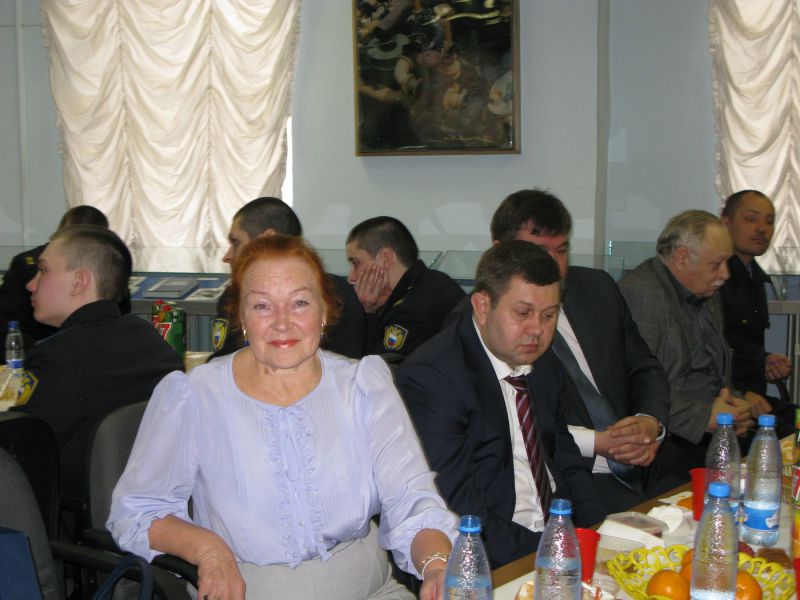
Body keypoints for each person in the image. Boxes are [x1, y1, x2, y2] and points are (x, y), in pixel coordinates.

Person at [108, 235, 457, 600]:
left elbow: (412, 500)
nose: (282, 323)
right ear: (241, 316)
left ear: (324, 312)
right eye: (262, 306)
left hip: (371, 591)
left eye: (300, 303)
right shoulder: (195, 395)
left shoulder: (363, 385)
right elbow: (138, 512)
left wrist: (436, 566)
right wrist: (208, 550)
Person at [396, 241, 606, 568]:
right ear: (482, 307)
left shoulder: (542, 361)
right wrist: (552, 553)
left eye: (549, 315)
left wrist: (597, 533)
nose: (537, 330)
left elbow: (565, 458)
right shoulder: (434, 378)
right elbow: (459, 507)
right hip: (490, 556)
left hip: (555, 537)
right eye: (522, 313)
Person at [487, 189, 680, 510]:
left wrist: (649, 423)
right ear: (499, 253)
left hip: (647, 462)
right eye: (538, 253)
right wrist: (598, 442)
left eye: (561, 250)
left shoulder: (597, 289)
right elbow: (510, 422)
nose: (553, 265)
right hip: (570, 477)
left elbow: (644, 367)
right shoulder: (489, 323)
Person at [11, 225, 182, 497]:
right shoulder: (149, 339)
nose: (30, 284)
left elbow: (16, 449)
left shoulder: (58, 357)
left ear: (79, 281)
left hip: (74, 511)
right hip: (152, 503)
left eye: (43, 270)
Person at [618, 210, 761, 469]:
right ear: (682, 257)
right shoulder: (642, 294)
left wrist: (734, 403)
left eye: (726, 262)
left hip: (712, 424)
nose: (725, 274)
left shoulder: (705, 288)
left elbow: (715, 368)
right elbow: (640, 387)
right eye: (716, 264)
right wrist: (705, 417)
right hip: (672, 435)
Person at [211, 197, 366, 360]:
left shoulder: (337, 294)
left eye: (300, 303)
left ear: (268, 239)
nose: (227, 256)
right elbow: (223, 363)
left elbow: (346, 365)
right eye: (261, 306)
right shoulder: (232, 296)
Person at [0, 205, 111, 358]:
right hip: (34, 353)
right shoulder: (26, 266)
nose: (32, 286)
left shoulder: (107, 270)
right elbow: (6, 326)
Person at [346, 216, 464, 357]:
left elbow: (372, 367)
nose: (351, 277)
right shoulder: (433, 281)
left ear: (385, 258)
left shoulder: (410, 313)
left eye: (356, 263)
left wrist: (366, 314)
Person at [720, 190, 792, 398]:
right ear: (726, 222)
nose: (762, 229)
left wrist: (765, 360)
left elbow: (742, 346)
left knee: (797, 416)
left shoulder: (755, 277)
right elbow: (707, 355)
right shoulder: (714, 278)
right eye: (751, 219)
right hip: (726, 399)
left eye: (769, 222)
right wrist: (739, 394)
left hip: (754, 397)